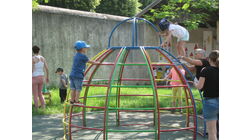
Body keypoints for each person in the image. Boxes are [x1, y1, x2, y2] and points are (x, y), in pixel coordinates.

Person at [194, 50, 219, 140]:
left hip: (210, 101)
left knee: (212, 133)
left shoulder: (206, 70)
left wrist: (195, 84)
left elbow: (200, 86)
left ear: (209, 60)